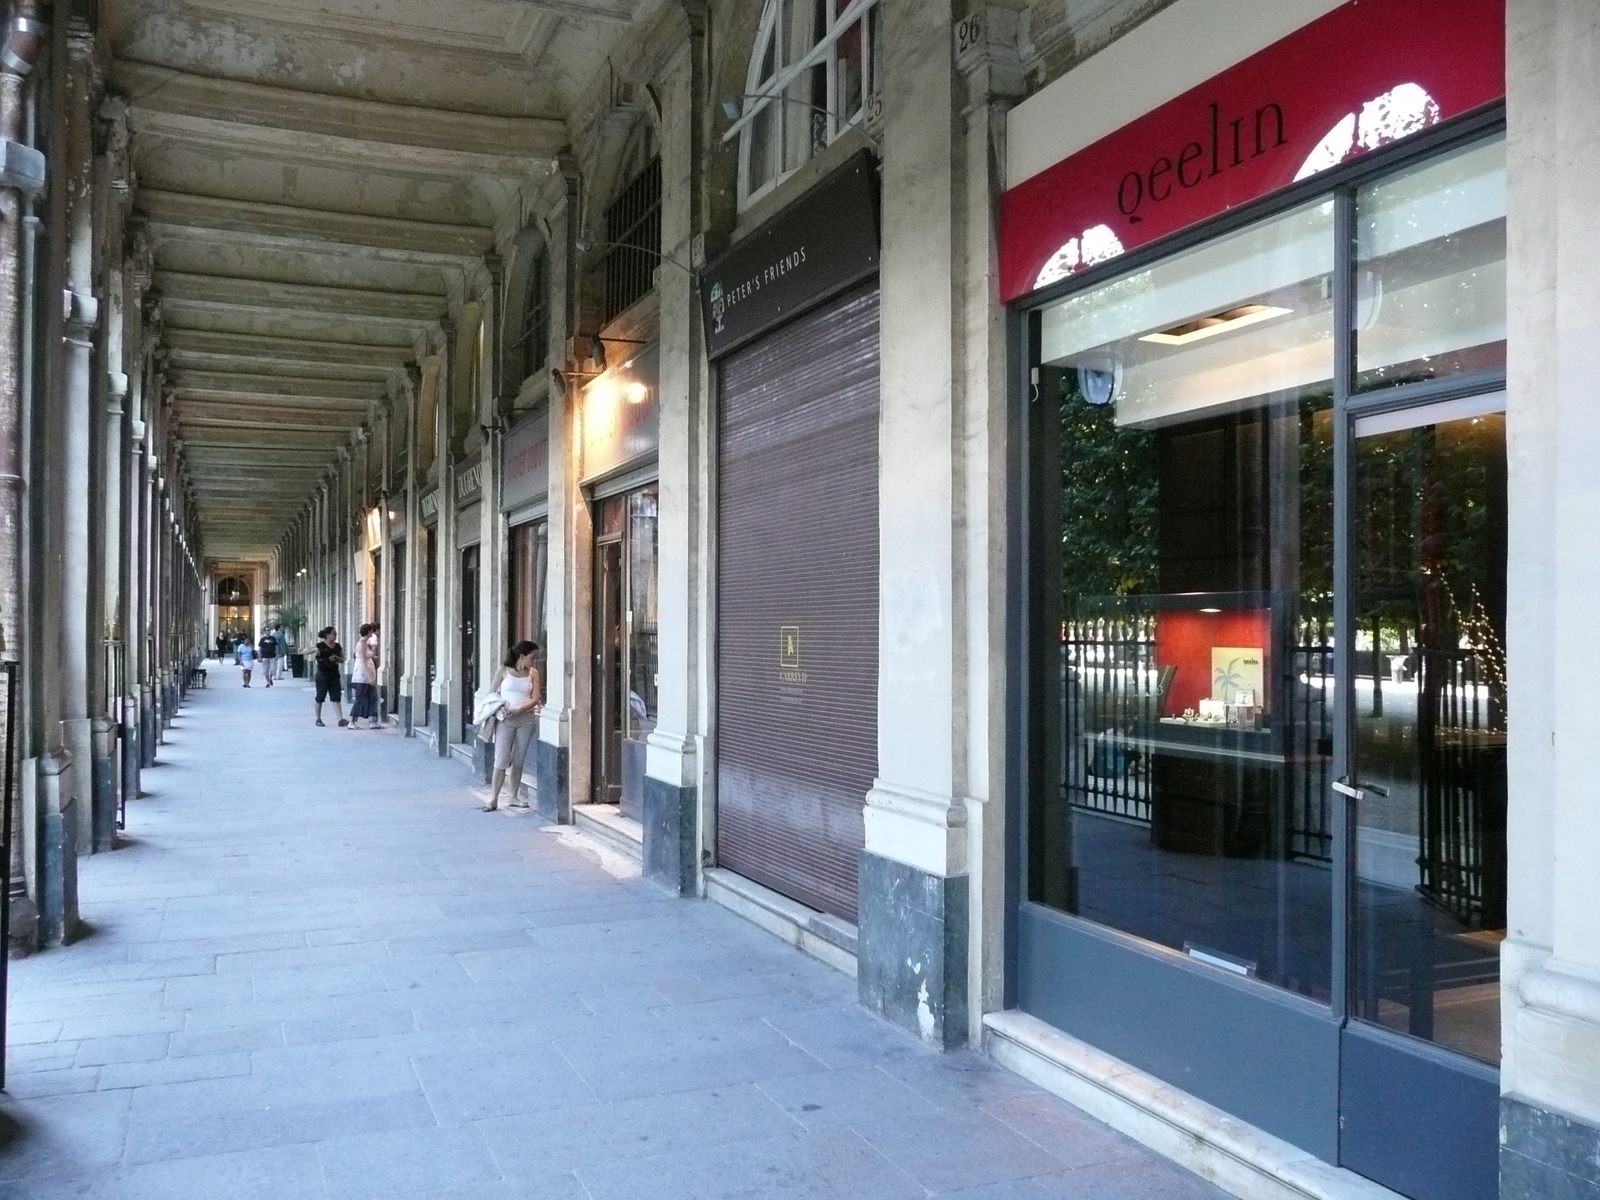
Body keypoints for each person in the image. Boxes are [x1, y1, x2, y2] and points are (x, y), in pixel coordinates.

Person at [481, 640, 541, 812]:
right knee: (500, 759)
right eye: (532, 658)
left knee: (518, 759)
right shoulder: (504, 670)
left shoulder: (533, 673)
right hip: (505, 719)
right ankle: (493, 798)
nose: (534, 661)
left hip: (526, 720)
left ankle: (514, 796)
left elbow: (536, 698)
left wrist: (521, 708)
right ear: (522, 656)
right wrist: (503, 708)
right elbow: (491, 694)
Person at [312, 626, 347, 727]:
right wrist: (314, 650)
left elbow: (343, 659)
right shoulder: (320, 646)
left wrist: (336, 658)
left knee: (336, 697)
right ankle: (318, 719)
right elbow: (306, 651)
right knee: (320, 697)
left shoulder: (337, 646)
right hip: (322, 675)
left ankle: (340, 719)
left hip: (334, 674)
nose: (335, 636)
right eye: (334, 634)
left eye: (336, 634)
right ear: (327, 635)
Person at [348, 622, 380, 729]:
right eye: (371, 630)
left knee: (372, 697)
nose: (373, 632)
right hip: (362, 676)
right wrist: (369, 676)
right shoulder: (361, 644)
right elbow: (362, 661)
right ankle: (352, 722)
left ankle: (373, 721)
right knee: (360, 699)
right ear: (368, 632)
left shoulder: (366, 643)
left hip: (368, 675)